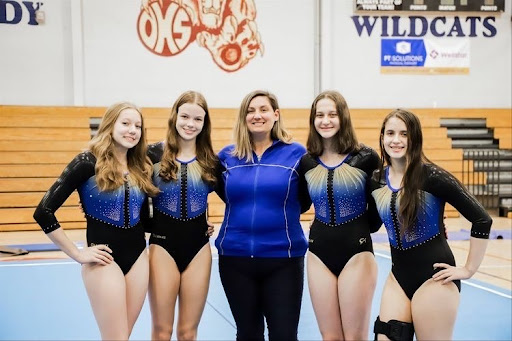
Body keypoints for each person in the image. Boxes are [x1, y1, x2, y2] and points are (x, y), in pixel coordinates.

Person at [33, 102, 159, 340]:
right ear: (110, 125)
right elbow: (43, 211)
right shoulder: (87, 162)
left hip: (138, 258)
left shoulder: (142, 165)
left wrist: (198, 225)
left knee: (124, 335)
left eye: (138, 125)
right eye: (125, 123)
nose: (132, 130)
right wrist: (78, 254)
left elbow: (145, 220)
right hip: (103, 260)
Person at [369, 109, 492, 341]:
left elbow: (482, 219)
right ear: (382, 137)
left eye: (404, 134)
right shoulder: (376, 180)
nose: (396, 140)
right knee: (385, 336)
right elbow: (372, 223)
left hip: (435, 279)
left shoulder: (432, 176)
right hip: (398, 278)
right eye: (390, 133)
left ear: (414, 138)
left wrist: (468, 270)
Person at [215, 90, 311, 341]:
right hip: (235, 259)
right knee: (248, 334)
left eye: (263, 109)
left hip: (283, 259)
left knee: (284, 335)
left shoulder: (297, 154)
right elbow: (211, 191)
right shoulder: (227, 157)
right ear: (243, 117)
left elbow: (304, 200)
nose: (257, 115)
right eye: (250, 110)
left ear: (276, 114)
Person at [300, 90, 381, 340]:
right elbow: (300, 204)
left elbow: (377, 212)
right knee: (330, 336)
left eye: (332, 114)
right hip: (318, 253)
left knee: (355, 336)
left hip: (356, 252)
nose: (325, 120)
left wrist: (358, 230)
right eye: (319, 115)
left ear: (343, 117)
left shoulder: (366, 158)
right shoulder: (307, 162)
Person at [146, 90, 218, 340]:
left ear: (204, 123)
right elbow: (123, 183)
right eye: (185, 116)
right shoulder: (152, 154)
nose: (190, 124)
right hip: (162, 247)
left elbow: (238, 198)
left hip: (199, 249)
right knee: (162, 331)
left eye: (197, 119)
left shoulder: (211, 161)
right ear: (175, 116)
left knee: (188, 332)